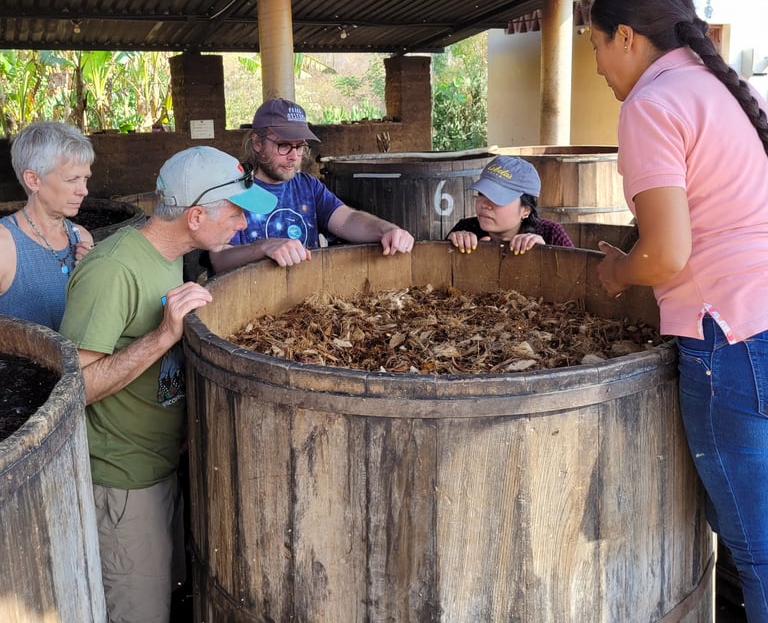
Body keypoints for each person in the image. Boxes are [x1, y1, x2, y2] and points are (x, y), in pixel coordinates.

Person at [590, 0, 768, 623]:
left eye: (598, 47)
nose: (602, 68)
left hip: (732, 336)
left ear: (627, 38)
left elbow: (667, 253)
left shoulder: (651, 104)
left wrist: (617, 274)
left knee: (758, 552)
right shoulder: (722, 87)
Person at [58, 146, 277, 623]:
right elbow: (76, 389)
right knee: (139, 611)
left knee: (172, 597)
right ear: (196, 215)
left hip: (163, 465)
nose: (244, 225)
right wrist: (162, 336)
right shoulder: (113, 270)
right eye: (238, 214)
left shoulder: (172, 254)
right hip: (122, 480)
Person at [208, 97, 414, 274]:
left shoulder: (309, 186)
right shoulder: (234, 190)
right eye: (283, 145)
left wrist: (386, 229)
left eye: (300, 146)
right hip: (251, 299)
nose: (294, 156)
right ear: (257, 143)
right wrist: (264, 247)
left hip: (307, 297)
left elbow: (347, 218)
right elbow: (219, 258)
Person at [0, 121, 95, 330]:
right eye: (72, 179)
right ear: (33, 180)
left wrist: (94, 274)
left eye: (85, 179)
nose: (83, 190)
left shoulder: (83, 238)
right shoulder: (5, 245)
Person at [446, 155, 574, 254]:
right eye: (481, 194)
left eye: (497, 198)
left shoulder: (551, 234)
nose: (484, 204)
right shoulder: (465, 228)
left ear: (526, 210)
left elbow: (578, 277)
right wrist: (451, 246)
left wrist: (546, 252)